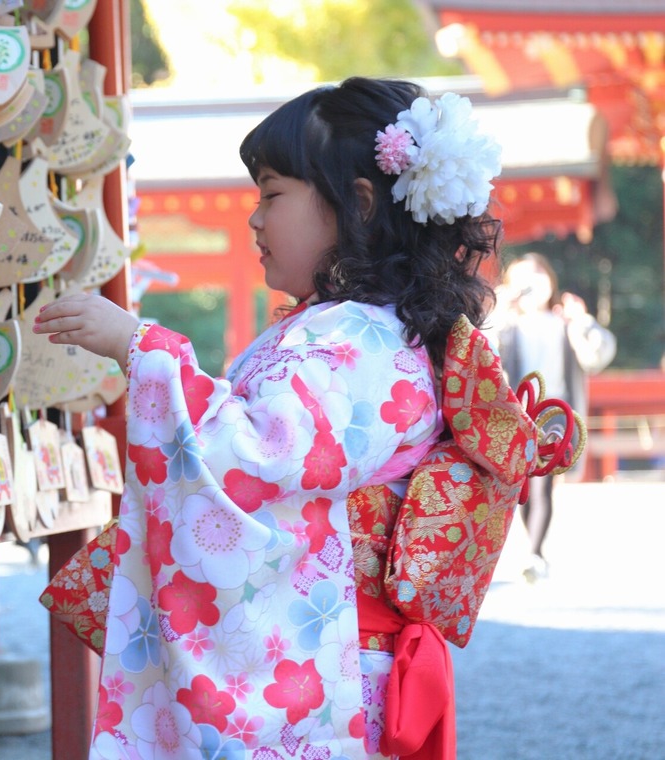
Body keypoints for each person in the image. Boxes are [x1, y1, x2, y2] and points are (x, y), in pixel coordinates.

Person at [35, 77, 514, 759]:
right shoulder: (358, 333)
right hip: (334, 660)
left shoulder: (360, 339)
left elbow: (256, 458)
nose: (254, 220)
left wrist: (142, 351)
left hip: (329, 674)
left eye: (272, 194)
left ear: (360, 203)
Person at [491, 253, 615, 582]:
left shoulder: (565, 322)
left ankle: (535, 552)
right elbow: (483, 346)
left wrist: (582, 321)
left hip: (556, 414)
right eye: (523, 277)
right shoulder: (508, 325)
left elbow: (597, 356)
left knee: (544, 483)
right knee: (525, 484)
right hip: (519, 413)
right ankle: (534, 552)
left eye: (538, 275)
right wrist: (502, 307)